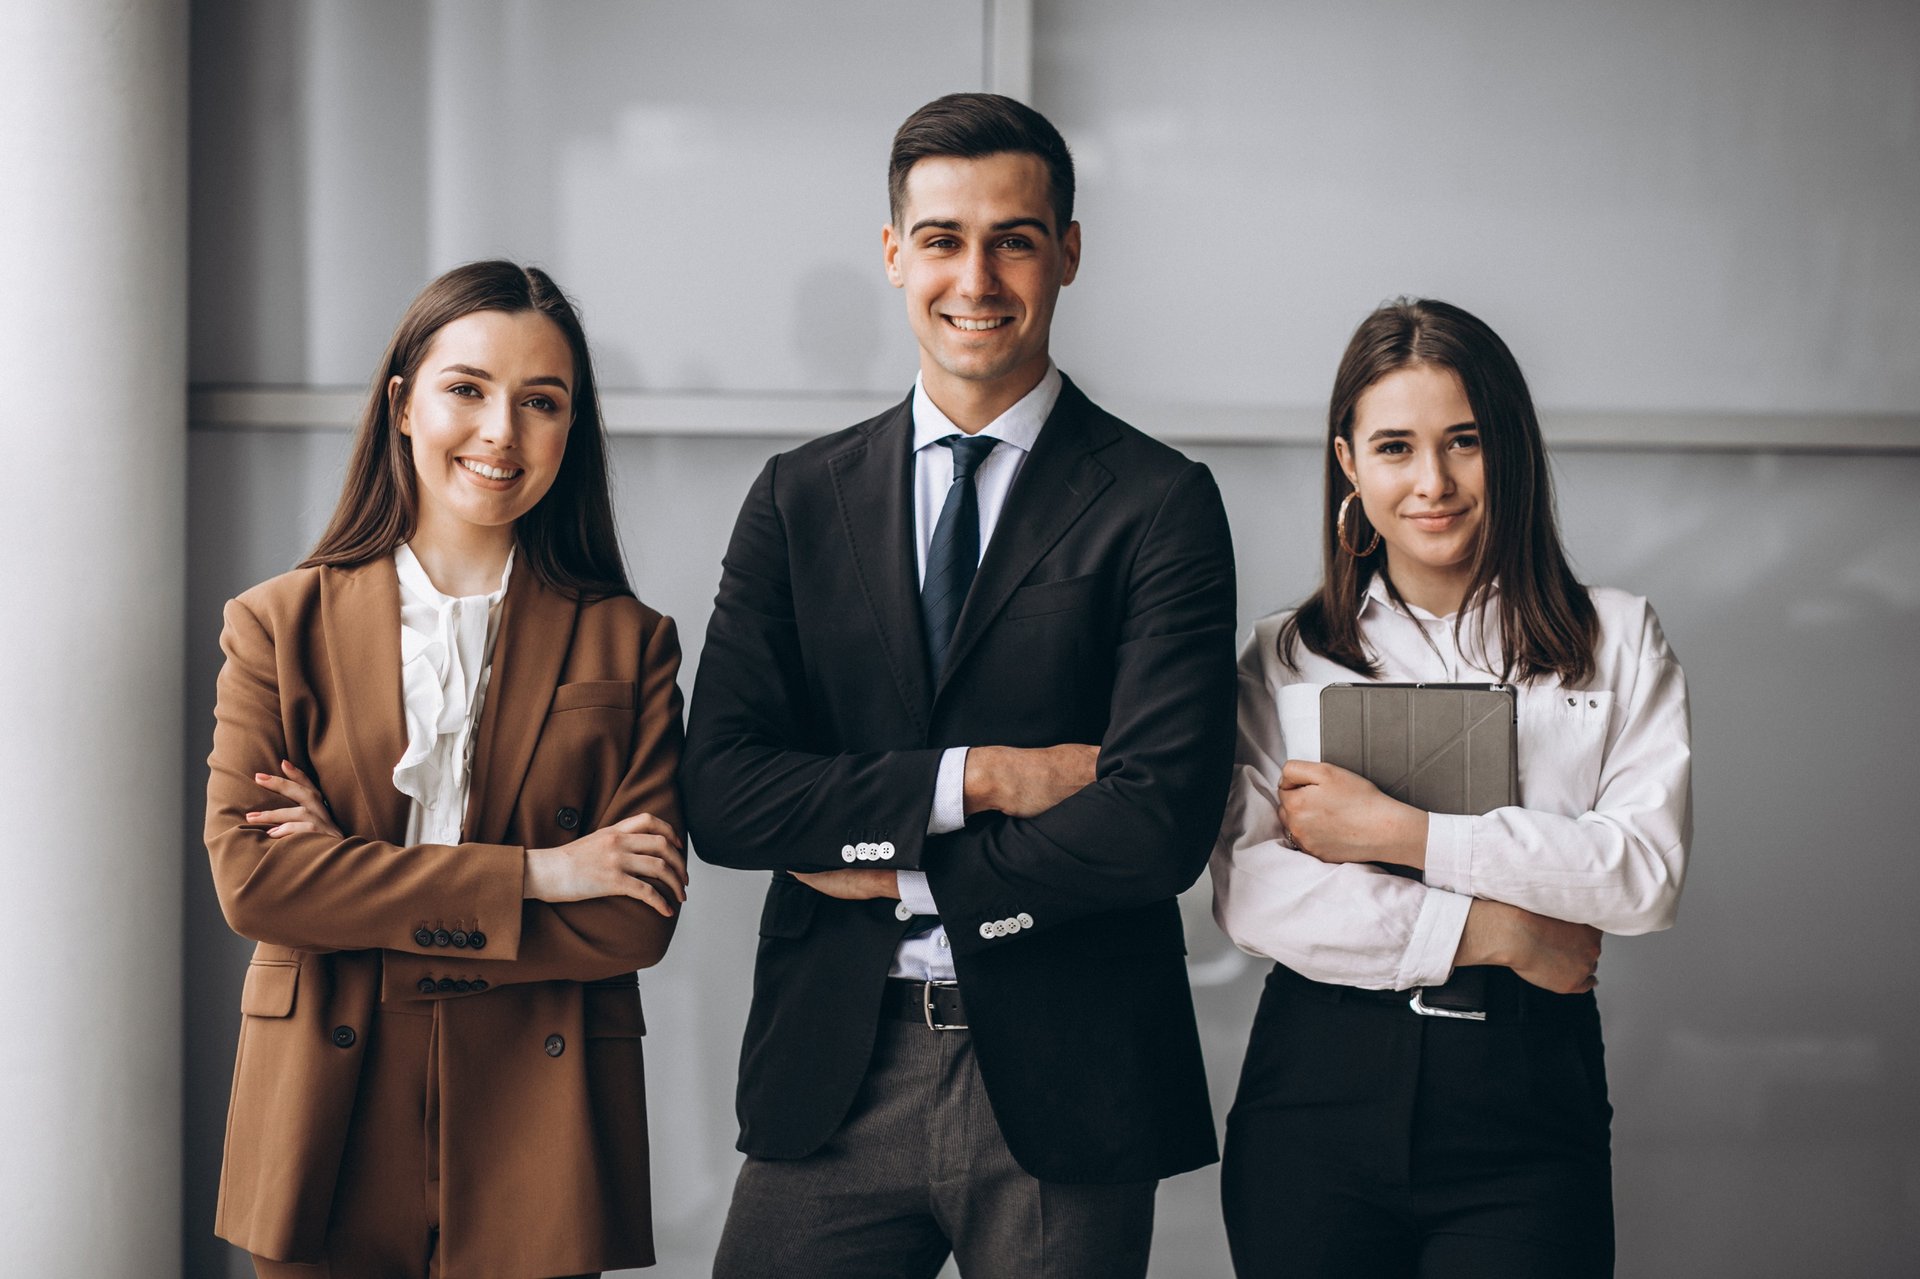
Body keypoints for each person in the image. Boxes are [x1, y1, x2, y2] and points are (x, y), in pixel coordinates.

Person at [682, 93, 1237, 1278]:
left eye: (1014, 238)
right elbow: (725, 793)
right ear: (893, 255)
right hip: (837, 1066)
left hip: (1067, 1073)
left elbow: (1159, 822)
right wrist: (983, 779)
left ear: (1068, 253)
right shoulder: (798, 498)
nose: (975, 276)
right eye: (942, 238)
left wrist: (882, 848)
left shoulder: (1160, 502)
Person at [204, 260, 688, 1279]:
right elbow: (256, 883)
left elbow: (635, 915)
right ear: (402, 405)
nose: (502, 431)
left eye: (541, 401)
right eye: (467, 388)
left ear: (571, 427)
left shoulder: (629, 644)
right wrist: (537, 875)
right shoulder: (277, 627)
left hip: (538, 1115)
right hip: (324, 1104)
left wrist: (351, 879)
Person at [1211, 298, 1691, 1277]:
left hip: (1526, 1099)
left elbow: (1641, 875)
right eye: (1395, 446)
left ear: (1508, 450)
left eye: (1464, 442)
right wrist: (1505, 930)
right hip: (1316, 1093)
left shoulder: (1616, 639)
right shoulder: (1288, 656)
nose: (1432, 482)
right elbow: (1254, 891)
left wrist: (1403, 833)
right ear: (1349, 464)